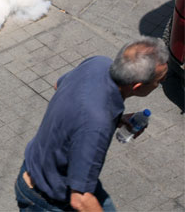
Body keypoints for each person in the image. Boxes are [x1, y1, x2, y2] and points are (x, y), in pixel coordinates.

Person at [15, 38, 168, 211]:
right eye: (160, 81)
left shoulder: (98, 63)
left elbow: (59, 85)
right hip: (45, 200)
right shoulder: (96, 126)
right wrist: (96, 122)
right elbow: (80, 199)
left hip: (40, 168)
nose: (160, 84)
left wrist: (117, 119)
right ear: (137, 86)